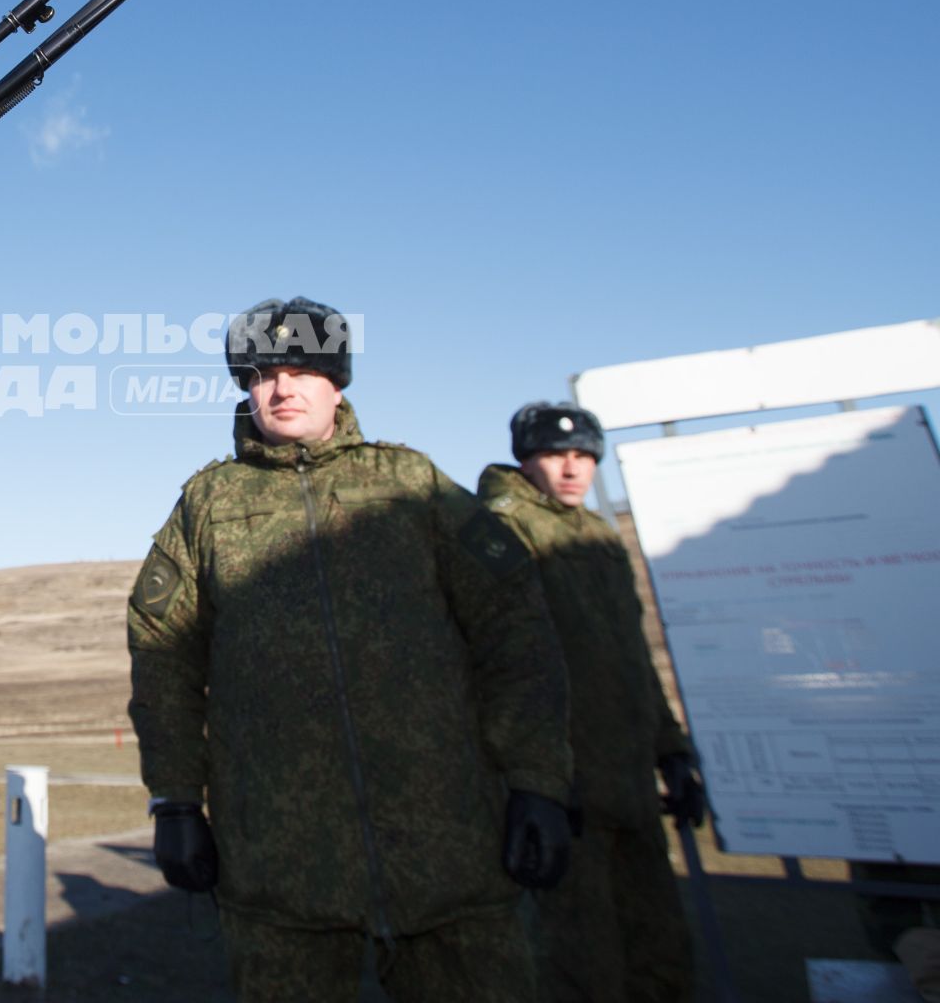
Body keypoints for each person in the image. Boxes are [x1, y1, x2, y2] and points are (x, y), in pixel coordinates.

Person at [127, 296, 574, 1003]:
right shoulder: (208, 505)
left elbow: (512, 625)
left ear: (338, 381)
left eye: (304, 368)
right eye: (263, 371)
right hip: (279, 869)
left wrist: (538, 780)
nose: (282, 387)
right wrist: (176, 802)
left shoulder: (409, 484)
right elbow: (162, 656)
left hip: (448, 853)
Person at [478, 402, 697, 1003]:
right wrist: (534, 776)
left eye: (583, 457)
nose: (572, 470)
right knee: (577, 962)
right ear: (526, 460)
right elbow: (491, 663)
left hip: (628, 783)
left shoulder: (600, 537)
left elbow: (632, 656)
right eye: (555, 455)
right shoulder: (499, 529)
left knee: (662, 950)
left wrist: (671, 750)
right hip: (562, 788)